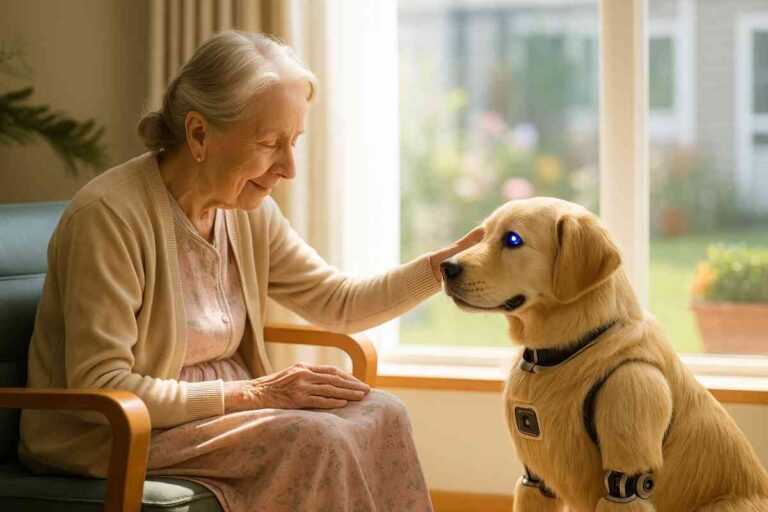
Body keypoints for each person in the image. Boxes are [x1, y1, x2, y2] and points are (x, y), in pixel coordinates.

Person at [18, 30, 484, 512]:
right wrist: (254, 393)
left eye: (294, 142)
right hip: (117, 434)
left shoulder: (246, 209)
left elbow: (339, 302)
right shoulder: (110, 217)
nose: (289, 168)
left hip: (221, 417)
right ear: (199, 134)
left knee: (384, 412)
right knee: (315, 439)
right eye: (269, 143)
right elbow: (101, 385)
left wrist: (441, 269)